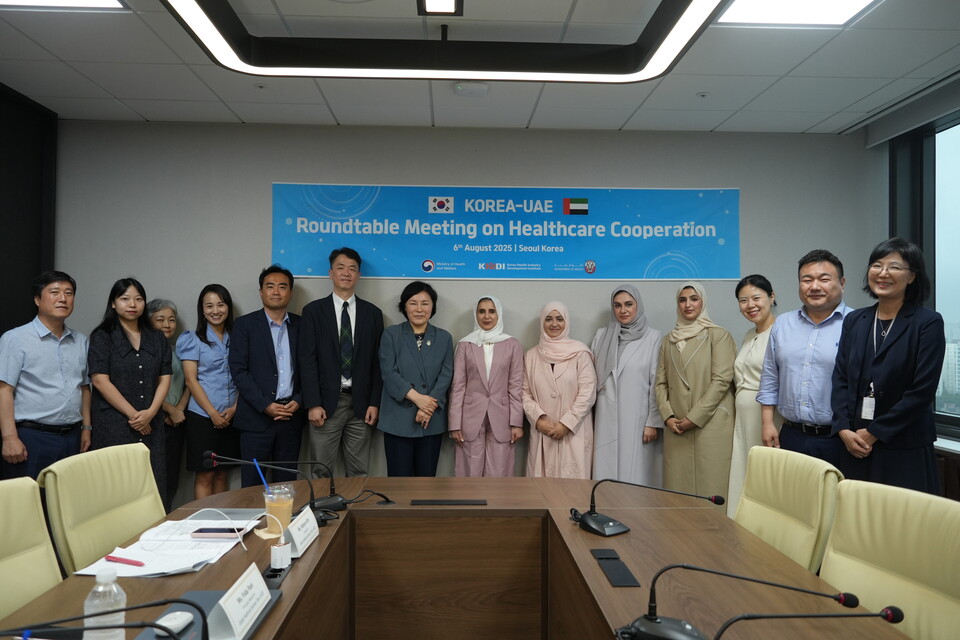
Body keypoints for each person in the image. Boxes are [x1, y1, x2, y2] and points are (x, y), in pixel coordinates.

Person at [831, 238, 945, 493]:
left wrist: (875, 432)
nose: (883, 273)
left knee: (902, 515)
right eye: (877, 265)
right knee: (857, 513)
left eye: (894, 267)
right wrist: (843, 428)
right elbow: (840, 379)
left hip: (903, 445)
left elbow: (922, 391)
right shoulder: (855, 320)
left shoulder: (927, 323)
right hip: (855, 443)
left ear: (912, 276)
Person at [758, 250, 852, 469]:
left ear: (842, 283)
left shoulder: (857, 323)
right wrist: (767, 423)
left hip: (839, 438)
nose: (814, 286)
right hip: (791, 435)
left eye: (824, 279)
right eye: (807, 280)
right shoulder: (783, 324)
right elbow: (770, 376)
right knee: (792, 492)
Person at [300, 248, 384, 476]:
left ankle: (354, 503)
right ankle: (323, 504)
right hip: (325, 405)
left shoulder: (373, 313)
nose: (346, 273)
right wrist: (313, 403)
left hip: (361, 406)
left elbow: (377, 363)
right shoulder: (313, 311)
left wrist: (374, 402)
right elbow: (307, 361)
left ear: (358, 275)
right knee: (321, 471)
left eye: (352, 269)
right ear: (330, 273)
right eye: (340, 268)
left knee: (359, 472)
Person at [0, 271, 91, 479]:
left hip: (73, 436)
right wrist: (9, 437)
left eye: (69, 293)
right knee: (28, 497)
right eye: (55, 292)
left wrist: (86, 428)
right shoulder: (15, 338)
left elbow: (84, 388)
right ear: (37, 299)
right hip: (31, 437)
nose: (63, 298)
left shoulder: (81, 341)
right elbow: (4, 390)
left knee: (67, 497)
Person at [88, 278, 172, 498]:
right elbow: (100, 381)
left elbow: (165, 378)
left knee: (152, 486)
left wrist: (151, 413)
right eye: (125, 299)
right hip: (114, 424)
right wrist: (135, 416)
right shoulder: (102, 336)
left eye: (138, 299)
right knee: (117, 489)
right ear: (113, 303)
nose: (132, 304)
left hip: (152, 423)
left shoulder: (157, 338)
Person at [656, 282, 736, 498]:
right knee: (678, 492)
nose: (688, 305)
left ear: (703, 302)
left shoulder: (718, 335)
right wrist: (667, 416)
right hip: (677, 426)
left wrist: (694, 417)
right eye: (682, 300)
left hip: (709, 423)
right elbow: (660, 383)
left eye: (694, 299)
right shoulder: (668, 340)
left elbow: (721, 380)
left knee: (711, 487)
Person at [229, 265, 304, 487]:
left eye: (282, 287)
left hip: (291, 418)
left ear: (290, 292)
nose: (276, 292)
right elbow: (238, 370)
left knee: (287, 485)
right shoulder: (244, 325)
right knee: (252, 485)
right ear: (261, 292)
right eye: (270, 286)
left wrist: (299, 400)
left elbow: (311, 368)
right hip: (256, 419)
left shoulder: (302, 325)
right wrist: (265, 405)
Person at [378, 281, 453, 477]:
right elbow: (389, 373)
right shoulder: (391, 334)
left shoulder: (444, 337)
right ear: (404, 306)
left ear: (432, 307)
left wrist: (427, 407)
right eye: (413, 303)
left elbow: (446, 375)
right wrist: (418, 399)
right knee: (399, 483)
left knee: (426, 483)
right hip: (398, 419)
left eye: (425, 303)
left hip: (430, 419)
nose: (419, 309)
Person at [591, 285, 663, 486]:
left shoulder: (653, 337)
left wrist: (652, 422)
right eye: (617, 305)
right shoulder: (601, 336)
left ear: (638, 306)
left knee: (634, 475)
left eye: (629, 304)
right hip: (605, 415)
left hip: (637, 418)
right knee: (605, 476)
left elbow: (657, 382)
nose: (623, 310)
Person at [448, 295, 524, 477]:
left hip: (503, 418)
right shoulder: (465, 344)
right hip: (469, 418)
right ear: (476, 315)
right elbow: (458, 386)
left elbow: (516, 386)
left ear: (499, 314)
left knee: (499, 473)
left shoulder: (512, 344)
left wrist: (517, 423)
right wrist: (454, 424)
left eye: (492, 311)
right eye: (481, 311)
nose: (487, 316)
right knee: (469, 473)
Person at [176, 284, 238, 499]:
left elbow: (244, 375)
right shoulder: (192, 338)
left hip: (231, 415)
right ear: (202, 310)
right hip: (202, 416)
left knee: (222, 473)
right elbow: (191, 380)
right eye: (209, 306)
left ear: (228, 307)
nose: (215, 310)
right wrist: (212, 413)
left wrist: (235, 408)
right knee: (205, 475)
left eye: (221, 305)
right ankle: (204, 519)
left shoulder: (237, 337)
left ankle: (220, 518)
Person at [522, 301, 596, 479]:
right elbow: (523, 393)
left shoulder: (580, 353)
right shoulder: (531, 356)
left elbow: (588, 392)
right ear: (542, 322)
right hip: (543, 430)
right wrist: (538, 420)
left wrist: (566, 424)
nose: (554, 324)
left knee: (572, 487)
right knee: (542, 487)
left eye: (559, 319)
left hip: (573, 431)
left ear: (566, 322)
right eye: (548, 319)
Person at [727, 275, 780, 516]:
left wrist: (769, 421)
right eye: (743, 300)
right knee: (743, 471)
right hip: (743, 418)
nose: (750, 305)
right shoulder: (749, 334)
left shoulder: (781, 332)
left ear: (771, 297)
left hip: (768, 417)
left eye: (756, 298)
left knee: (766, 476)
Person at [148, 298, 191, 510]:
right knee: (153, 481)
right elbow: (144, 388)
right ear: (149, 321)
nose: (167, 324)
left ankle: (166, 520)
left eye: (171, 320)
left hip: (176, 422)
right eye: (160, 319)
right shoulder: (145, 351)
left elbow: (190, 382)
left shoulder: (177, 351)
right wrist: (168, 409)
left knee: (170, 480)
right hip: (152, 422)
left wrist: (178, 410)